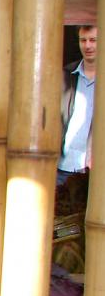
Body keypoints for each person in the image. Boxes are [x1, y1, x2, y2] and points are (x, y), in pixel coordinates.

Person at [58, 25, 96, 185]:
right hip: (62, 166)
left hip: (93, 170)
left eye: (93, 40)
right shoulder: (66, 74)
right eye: (83, 40)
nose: (87, 45)